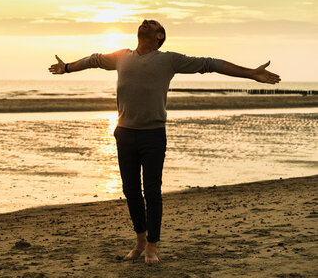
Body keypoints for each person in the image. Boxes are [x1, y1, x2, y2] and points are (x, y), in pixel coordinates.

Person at [48, 19, 281, 264]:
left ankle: (151, 246)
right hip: (124, 133)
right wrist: (67, 68)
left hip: (153, 135)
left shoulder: (169, 59)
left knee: (152, 191)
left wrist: (250, 73)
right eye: (144, 21)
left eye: (153, 23)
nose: (145, 22)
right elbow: (93, 60)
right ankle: (139, 239)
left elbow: (210, 64)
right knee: (130, 191)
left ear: (160, 36)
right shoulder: (121, 56)